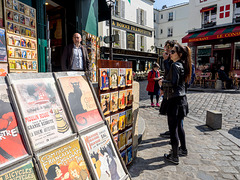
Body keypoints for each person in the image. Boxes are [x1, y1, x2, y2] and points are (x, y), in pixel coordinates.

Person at [159, 42, 192, 165]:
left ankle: (174, 156)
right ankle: (183, 149)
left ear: (180, 54)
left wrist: (162, 82)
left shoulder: (175, 66)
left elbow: (173, 83)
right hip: (182, 100)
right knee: (179, 127)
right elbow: (181, 83)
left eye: (173, 52)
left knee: (173, 130)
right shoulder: (184, 65)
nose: (170, 54)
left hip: (174, 101)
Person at [159, 40, 176, 138]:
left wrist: (165, 60)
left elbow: (170, 73)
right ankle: (171, 131)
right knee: (170, 113)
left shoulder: (174, 60)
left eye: (167, 47)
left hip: (173, 91)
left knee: (175, 115)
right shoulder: (170, 59)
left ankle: (174, 134)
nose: (166, 49)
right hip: (168, 89)